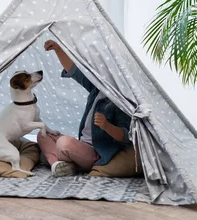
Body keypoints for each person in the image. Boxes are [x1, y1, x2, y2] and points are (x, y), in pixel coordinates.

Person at [38, 40, 133, 177]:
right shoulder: (97, 89)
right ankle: (57, 164)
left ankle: (55, 157)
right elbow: (74, 71)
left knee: (63, 143)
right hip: (80, 145)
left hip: (94, 153)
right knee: (42, 134)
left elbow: (125, 135)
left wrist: (106, 126)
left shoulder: (120, 101)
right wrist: (58, 49)